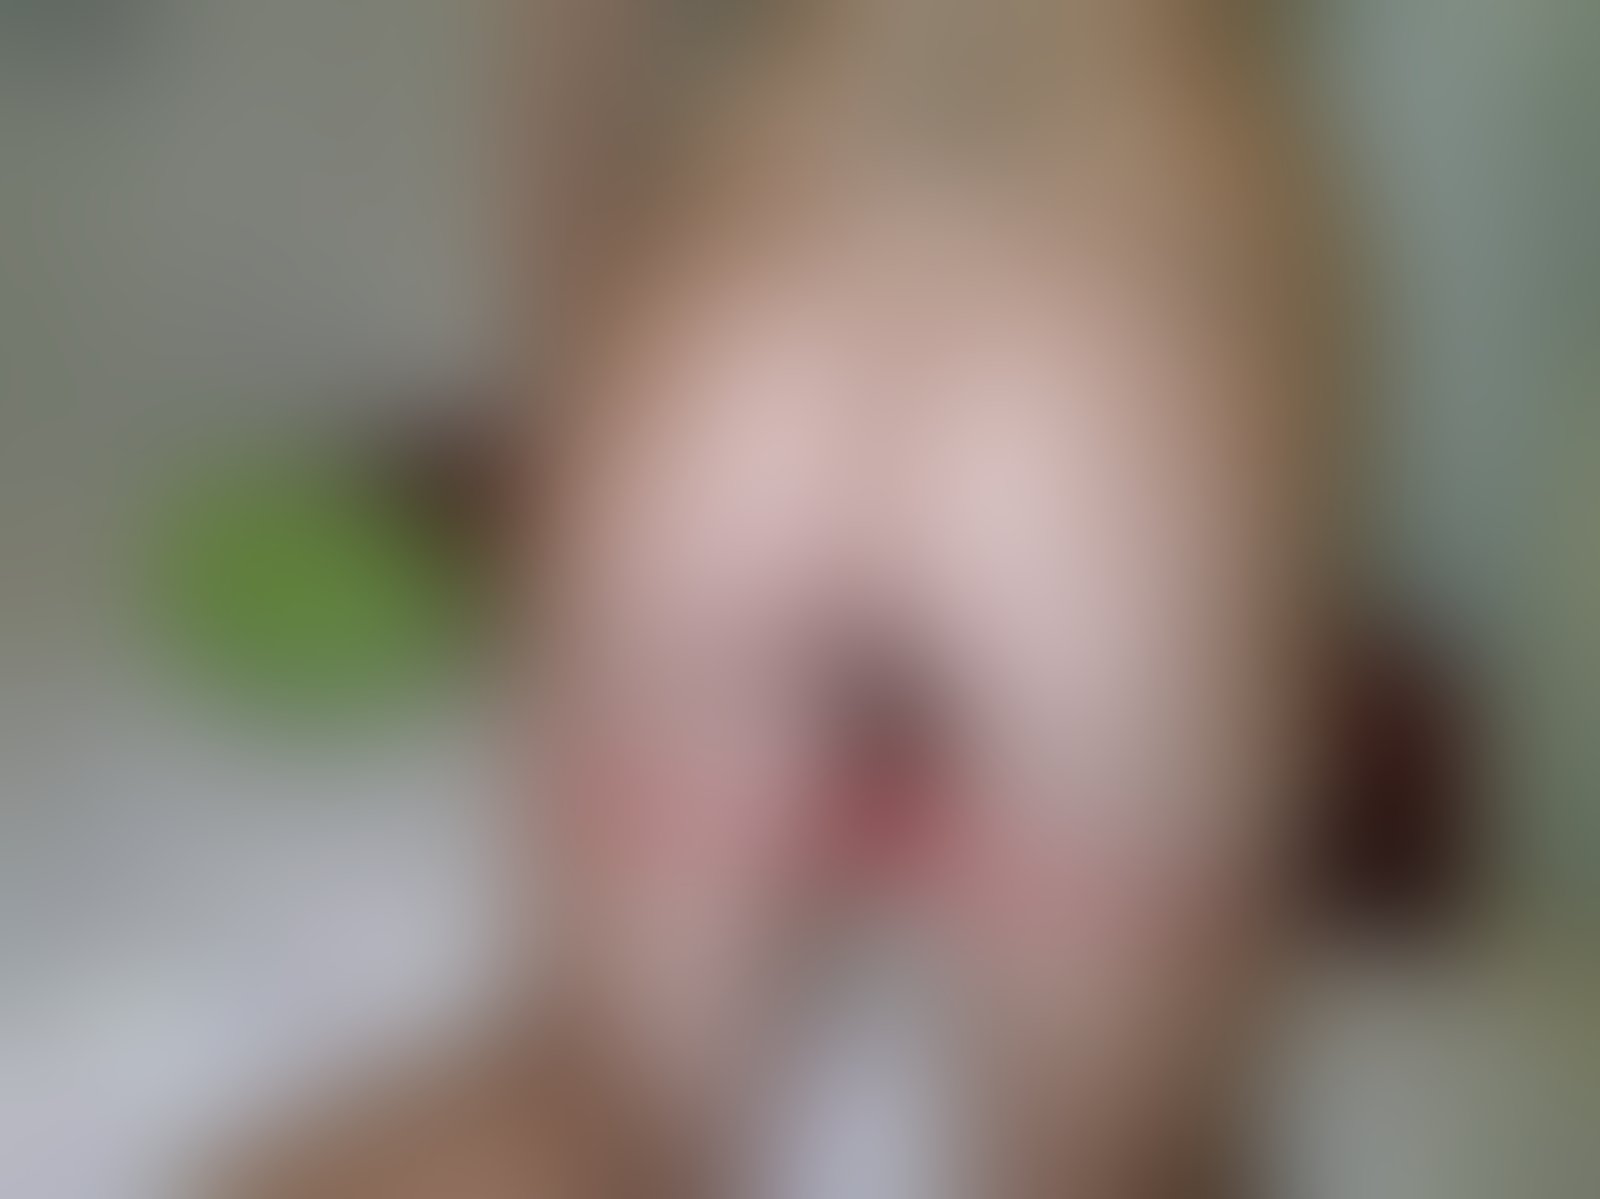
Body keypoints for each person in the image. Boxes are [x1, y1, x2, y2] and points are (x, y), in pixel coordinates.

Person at [226, 2, 1345, 1195]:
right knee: (1130, 1168)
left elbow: (571, 41)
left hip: (762, 274)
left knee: (603, 1110)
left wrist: (585, 428)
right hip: (1126, 307)